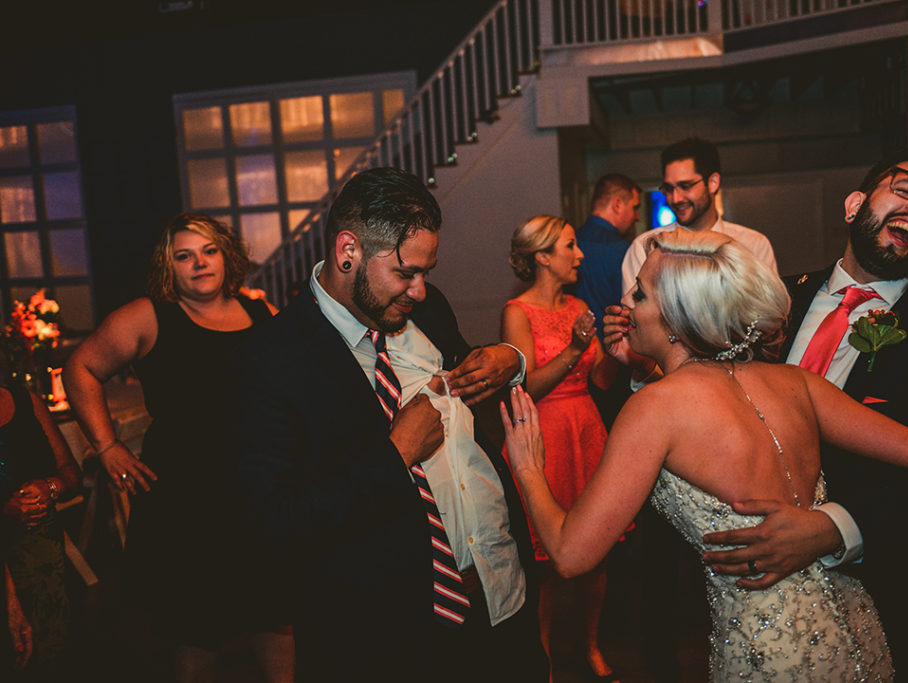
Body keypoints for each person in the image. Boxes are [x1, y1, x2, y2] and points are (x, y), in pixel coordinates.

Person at [503, 228, 908, 681]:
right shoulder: (797, 382)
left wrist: (527, 465)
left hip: (770, 646)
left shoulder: (654, 408)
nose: (626, 304)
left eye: (640, 294)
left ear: (677, 317)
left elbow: (570, 555)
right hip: (854, 624)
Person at [228, 167, 547, 682]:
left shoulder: (426, 308)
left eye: (427, 271)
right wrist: (395, 453)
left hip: (499, 592)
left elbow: (472, 371)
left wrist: (510, 357)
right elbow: (273, 528)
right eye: (406, 273)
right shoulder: (269, 361)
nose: (420, 290)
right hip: (389, 638)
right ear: (347, 250)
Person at [698, 148, 908, 680]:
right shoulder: (770, 303)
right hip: (742, 583)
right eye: (906, 189)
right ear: (855, 204)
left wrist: (831, 529)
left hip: (883, 591)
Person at [63, 213, 291, 682]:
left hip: (260, 490)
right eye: (184, 256)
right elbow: (80, 368)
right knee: (196, 627)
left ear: (227, 256)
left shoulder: (261, 314)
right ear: (169, 267)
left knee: (276, 612)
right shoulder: (149, 316)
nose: (199, 263)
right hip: (186, 499)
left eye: (208, 251)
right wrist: (107, 447)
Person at [503, 215, 619, 681]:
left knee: (597, 553)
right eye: (571, 246)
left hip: (587, 429)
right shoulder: (517, 311)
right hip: (546, 432)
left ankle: (591, 645)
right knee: (547, 561)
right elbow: (524, 383)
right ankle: (545, 659)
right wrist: (573, 350)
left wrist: (616, 349)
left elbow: (599, 381)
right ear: (543, 257)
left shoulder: (578, 305)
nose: (581, 255)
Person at [620, 137, 776, 295]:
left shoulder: (754, 245)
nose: (675, 198)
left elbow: (770, 313)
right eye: (668, 188)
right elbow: (635, 314)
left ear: (713, 182)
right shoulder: (644, 247)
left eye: (685, 186)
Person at [0, 377, 80, 680]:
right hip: (8, 572)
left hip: (47, 570)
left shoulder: (26, 401)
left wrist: (51, 486)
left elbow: (72, 474)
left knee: (52, 661)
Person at [572, 174, 641, 341]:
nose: (637, 216)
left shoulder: (571, 241)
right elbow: (633, 309)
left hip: (575, 347)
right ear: (617, 204)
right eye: (635, 207)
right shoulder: (623, 250)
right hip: (614, 347)